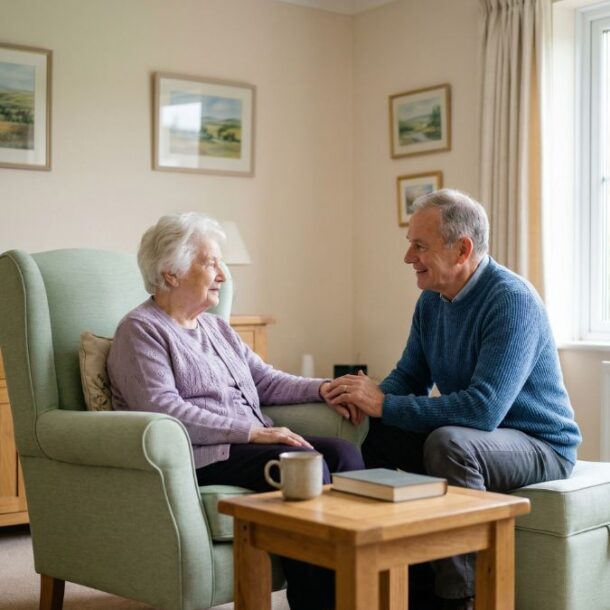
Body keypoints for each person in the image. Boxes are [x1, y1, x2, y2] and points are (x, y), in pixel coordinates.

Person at [326, 189, 581, 610]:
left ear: (462, 249)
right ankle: (389, 575)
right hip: (486, 436)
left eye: (419, 246)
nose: (409, 257)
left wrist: (384, 404)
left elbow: (483, 409)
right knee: (371, 431)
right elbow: (410, 376)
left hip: (540, 443)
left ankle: (460, 597)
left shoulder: (511, 301)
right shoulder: (431, 301)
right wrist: (364, 400)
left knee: (449, 443)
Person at [107, 212, 364, 610]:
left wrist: (323, 388)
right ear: (171, 273)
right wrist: (252, 432)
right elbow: (162, 409)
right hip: (202, 454)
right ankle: (318, 601)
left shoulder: (216, 328)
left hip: (246, 444)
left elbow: (264, 380)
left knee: (344, 453)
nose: (222, 275)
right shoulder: (141, 330)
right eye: (210, 263)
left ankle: (357, 587)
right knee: (304, 464)